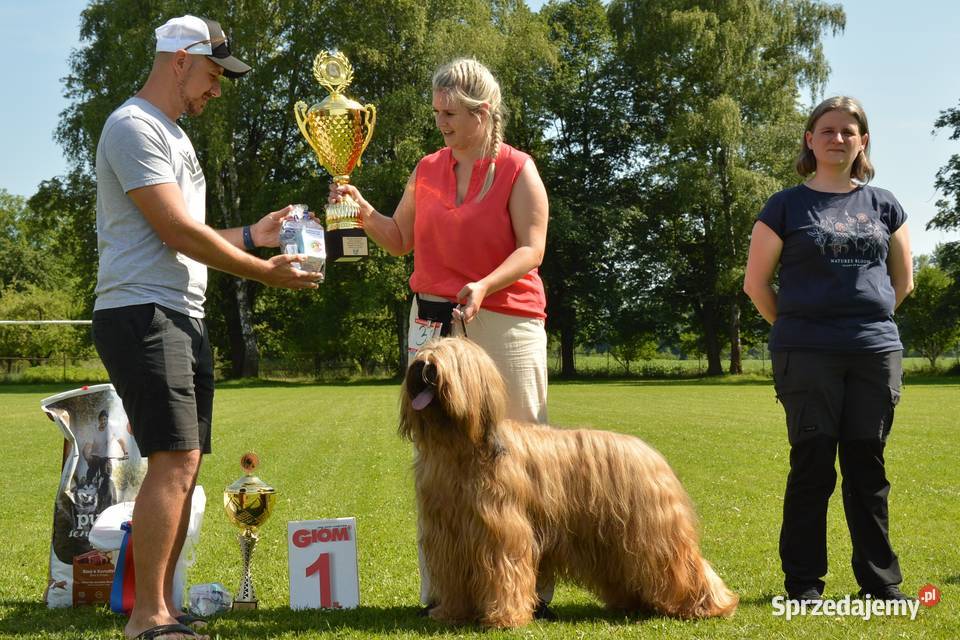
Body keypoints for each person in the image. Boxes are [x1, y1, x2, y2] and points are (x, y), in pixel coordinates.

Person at [91, 15, 319, 640]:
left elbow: (187, 234)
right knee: (173, 458)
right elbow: (175, 230)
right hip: (142, 311)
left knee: (185, 462)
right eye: (213, 75)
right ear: (180, 61)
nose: (216, 90)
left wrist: (252, 236)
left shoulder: (173, 135)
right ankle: (147, 617)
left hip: (179, 312)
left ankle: (164, 606)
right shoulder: (133, 126)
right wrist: (262, 271)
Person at [329, 58, 552, 613]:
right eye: (436, 112)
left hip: (505, 317)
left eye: (450, 113)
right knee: (435, 457)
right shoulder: (426, 169)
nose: (440, 123)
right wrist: (361, 210)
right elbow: (398, 238)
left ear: (483, 113)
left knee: (520, 454)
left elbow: (532, 248)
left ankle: (531, 590)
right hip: (431, 323)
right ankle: (443, 590)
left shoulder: (518, 169)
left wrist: (484, 284)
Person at [743, 96, 914, 603]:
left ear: (863, 141)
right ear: (810, 140)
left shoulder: (886, 205)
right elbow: (756, 284)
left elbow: (903, 282)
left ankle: (880, 584)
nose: (838, 139)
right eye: (827, 130)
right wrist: (797, 327)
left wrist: (865, 325)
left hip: (873, 354)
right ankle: (803, 585)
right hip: (806, 354)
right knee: (812, 466)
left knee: (868, 467)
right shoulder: (785, 206)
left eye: (848, 131)